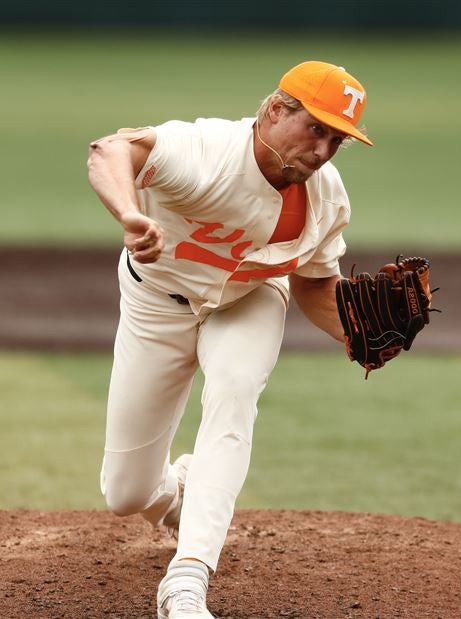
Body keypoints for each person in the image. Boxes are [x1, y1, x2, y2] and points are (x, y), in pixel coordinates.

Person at [86, 60, 373, 619]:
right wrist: (128, 213)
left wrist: (358, 334)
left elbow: (315, 284)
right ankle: (183, 494)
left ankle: (187, 581)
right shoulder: (207, 150)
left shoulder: (327, 196)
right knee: (127, 494)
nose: (323, 149)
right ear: (273, 110)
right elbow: (109, 150)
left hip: (250, 300)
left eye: (337, 139)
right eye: (314, 127)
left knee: (235, 392)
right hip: (157, 304)